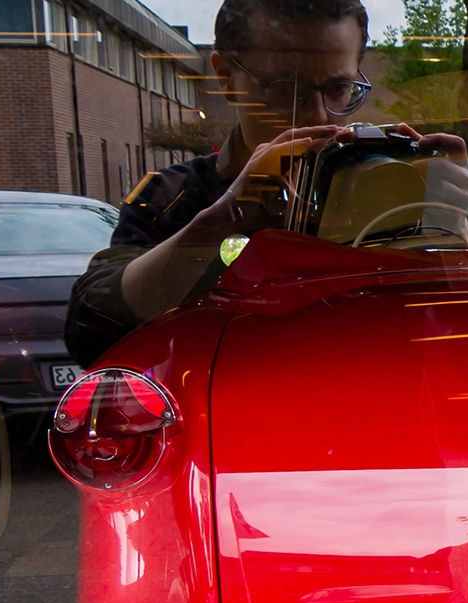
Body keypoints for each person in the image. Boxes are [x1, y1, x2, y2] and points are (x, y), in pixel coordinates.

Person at [65, 0, 373, 367]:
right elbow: (90, 332)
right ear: (226, 76)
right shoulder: (171, 196)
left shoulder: (380, 192)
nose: (317, 116)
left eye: (339, 89)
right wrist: (224, 219)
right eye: (285, 89)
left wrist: (446, 220)